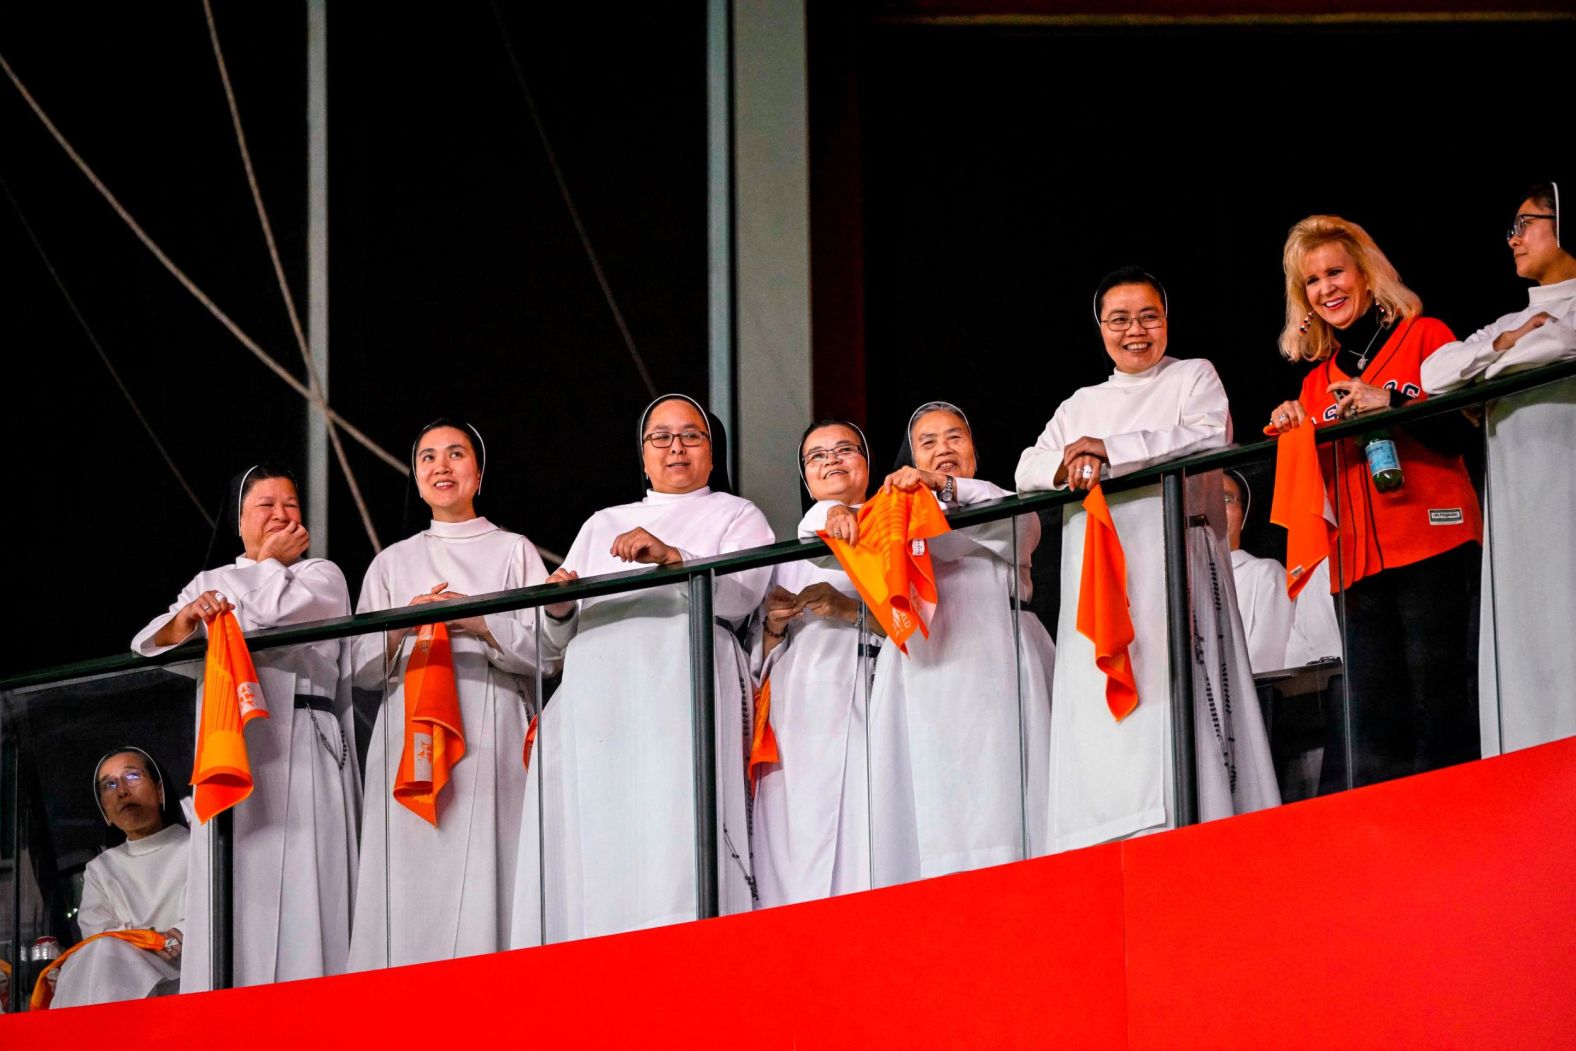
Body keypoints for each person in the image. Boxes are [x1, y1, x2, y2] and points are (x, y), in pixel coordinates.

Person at [1018, 266, 1279, 853]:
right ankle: (1108, 826)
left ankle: (1197, 818)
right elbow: (1027, 466)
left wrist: (1109, 453)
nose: (1134, 331)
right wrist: (1066, 464)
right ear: (1099, 328)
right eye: (1119, 319)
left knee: (1172, 692)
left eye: (1148, 316)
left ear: (1166, 321)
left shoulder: (1193, 376)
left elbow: (1209, 435)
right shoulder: (1082, 403)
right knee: (1107, 711)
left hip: (1173, 554)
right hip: (1100, 575)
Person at [511, 395, 774, 945]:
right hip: (597, 703)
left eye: (691, 436)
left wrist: (671, 557)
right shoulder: (602, 523)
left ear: (711, 450)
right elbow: (555, 642)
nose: (675, 447)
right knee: (602, 835)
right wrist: (558, 606)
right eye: (661, 437)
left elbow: (742, 597)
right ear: (643, 454)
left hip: (681, 688)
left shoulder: (736, 513)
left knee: (675, 829)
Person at [1267, 216, 1483, 789]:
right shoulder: (1318, 382)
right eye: (1311, 282)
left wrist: (1391, 402)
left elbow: (1468, 433)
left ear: (1366, 275)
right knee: (1378, 725)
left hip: (1435, 541)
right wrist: (1294, 425)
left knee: (1442, 706)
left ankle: (1467, 833)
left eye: (1335, 271)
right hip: (1357, 567)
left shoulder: (1426, 336)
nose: (1327, 289)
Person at [131, 465, 358, 990]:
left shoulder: (323, 574)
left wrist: (266, 564)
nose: (281, 514)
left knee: (310, 889)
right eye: (265, 505)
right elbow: (149, 643)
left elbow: (268, 616)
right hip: (234, 743)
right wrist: (188, 619)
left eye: (291, 505)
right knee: (239, 892)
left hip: (307, 741)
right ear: (239, 521)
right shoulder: (209, 582)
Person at [348, 419, 552, 968]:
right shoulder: (391, 562)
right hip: (405, 725)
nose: (442, 467)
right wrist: (405, 624)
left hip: (492, 719)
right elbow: (359, 667)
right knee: (408, 867)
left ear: (478, 473)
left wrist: (481, 623)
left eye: (456, 454)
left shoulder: (513, 550)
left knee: (489, 857)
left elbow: (548, 653)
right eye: (428, 458)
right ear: (416, 480)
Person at [853, 400, 1054, 885]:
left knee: (1009, 797)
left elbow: (1015, 529)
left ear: (974, 451)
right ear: (910, 459)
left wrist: (941, 489)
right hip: (924, 672)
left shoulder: (1005, 500)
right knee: (929, 804)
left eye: (955, 438)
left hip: (1000, 660)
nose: (944, 449)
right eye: (929, 442)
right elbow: (814, 533)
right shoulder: (892, 515)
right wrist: (845, 513)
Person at [1421, 182, 1576, 754]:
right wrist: (1501, 346)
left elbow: (1553, 347)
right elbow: (1435, 372)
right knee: (1520, 630)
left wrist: (1486, 373)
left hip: (1565, 488)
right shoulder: (1512, 321)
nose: (1513, 239)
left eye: (1526, 223)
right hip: (1514, 504)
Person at [751, 419, 879, 907]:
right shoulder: (787, 555)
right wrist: (774, 628)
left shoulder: (896, 532)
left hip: (867, 699)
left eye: (845, 450)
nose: (831, 461)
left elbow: (922, 624)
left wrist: (850, 612)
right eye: (817, 456)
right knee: (794, 849)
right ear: (804, 478)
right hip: (797, 716)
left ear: (867, 465)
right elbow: (755, 663)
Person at [46, 748, 187, 1008]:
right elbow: (98, 939)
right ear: (106, 814)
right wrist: (151, 939)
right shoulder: (100, 869)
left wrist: (181, 934)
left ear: (159, 791)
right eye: (110, 784)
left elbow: (211, 917)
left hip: (189, 978)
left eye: (132, 776)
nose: (122, 790)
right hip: (119, 984)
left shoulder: (198, 848)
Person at [1222, 470, 1295, 674]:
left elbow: (1269, 661)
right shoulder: (1178, 583)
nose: (1215, 508)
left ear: (1243, 515)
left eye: (1227, 499)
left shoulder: (1266, 574)